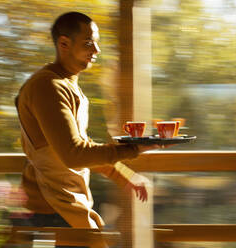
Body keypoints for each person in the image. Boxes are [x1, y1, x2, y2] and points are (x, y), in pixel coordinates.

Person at [14, 11, 159, 247]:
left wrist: (125, 176)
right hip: (52, 213)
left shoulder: (67, 86)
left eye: (97, 43)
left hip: (68, 210)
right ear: (64, 44)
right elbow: (73, 154)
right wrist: (133, 149)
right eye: (89, 43)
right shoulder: (48, 87)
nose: (97, 50)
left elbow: (79, 149)